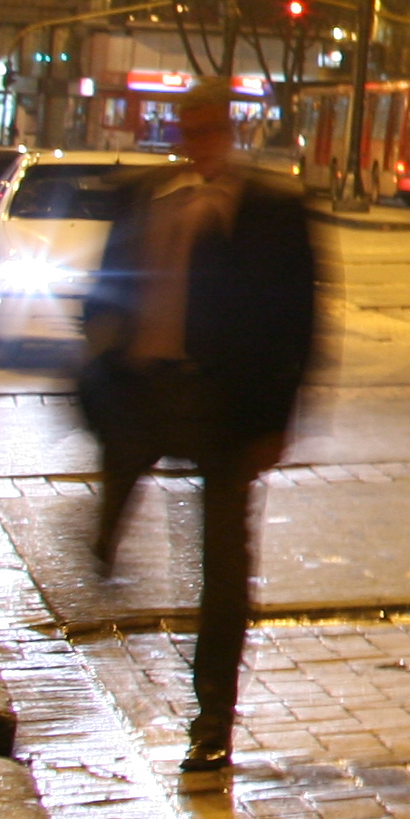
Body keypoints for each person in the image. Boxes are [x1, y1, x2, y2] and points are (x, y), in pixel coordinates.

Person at [86, 93, 320, 780]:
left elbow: (300, 320)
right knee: (116, 491)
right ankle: (106, 526)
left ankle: (213, 717)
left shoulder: (271, 209)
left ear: (230, 130)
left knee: (221, 569)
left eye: (210, 128)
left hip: (223, 405)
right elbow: (105, 288)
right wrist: (105, 348)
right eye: (189, 129)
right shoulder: (147, 197)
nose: (199, 140)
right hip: (144, 393)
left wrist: (278, 420)